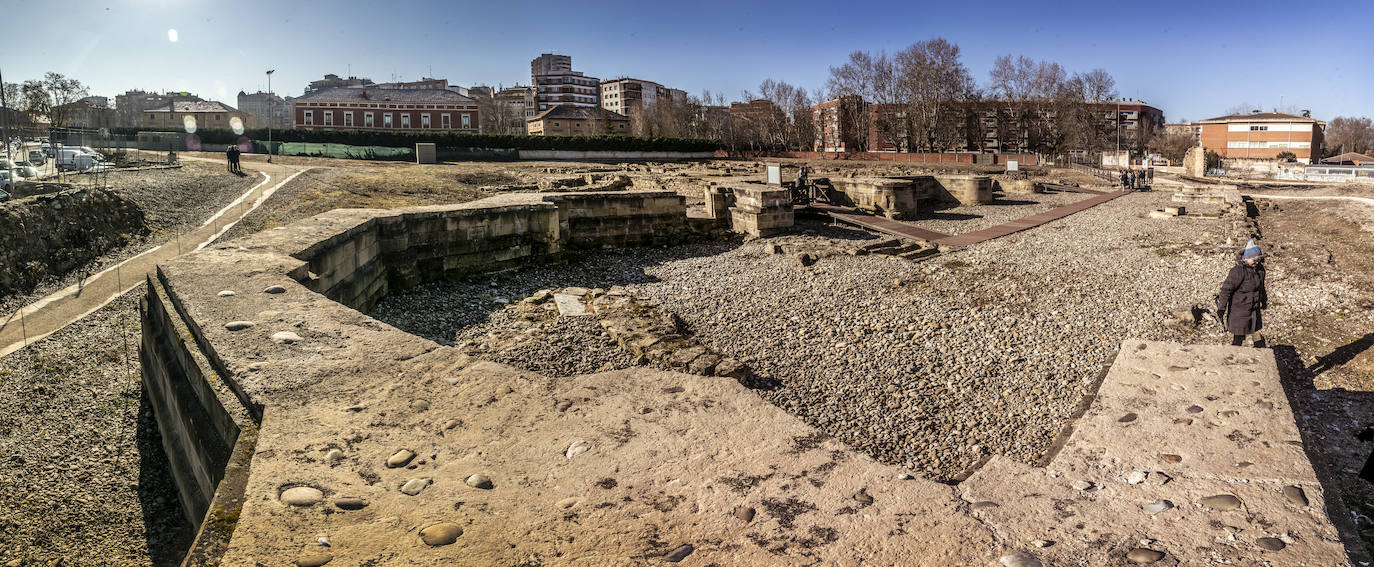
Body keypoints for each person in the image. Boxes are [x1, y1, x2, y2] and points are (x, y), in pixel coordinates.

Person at [1217, 239, 1268, 347]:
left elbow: (1261, 287)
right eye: (1252, 259)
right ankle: (1234, 356)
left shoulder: (1260, 270)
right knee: (1238, 337)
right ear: (1246, 258)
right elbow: (1226, 290)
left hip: (1254, 309)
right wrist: (1221, 308)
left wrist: (1264, 301)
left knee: (1254, 330)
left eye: (1258, 259)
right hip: (1239, 310)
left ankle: (1257, 353)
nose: (1256, 261)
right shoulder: (1238, 271)